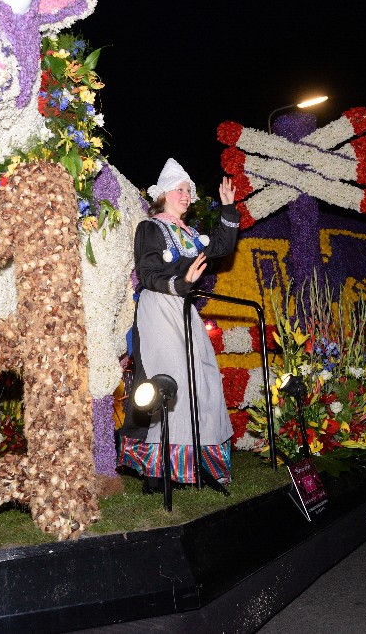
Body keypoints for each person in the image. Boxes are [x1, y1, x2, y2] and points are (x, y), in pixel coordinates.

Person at [118, 158, 239, 491]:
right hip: (159, 306)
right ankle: (157, 474)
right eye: (180, 189)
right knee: (168, 382)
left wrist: (228, 209)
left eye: (189, 190)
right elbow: (148, 273)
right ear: (164, 194)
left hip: (184, 308)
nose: (186, 195)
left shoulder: (189, 234)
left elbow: (223, 246)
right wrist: (181, 282)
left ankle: (196, 464)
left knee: (202, 378)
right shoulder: (151, 228)